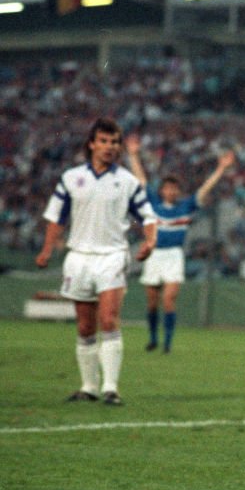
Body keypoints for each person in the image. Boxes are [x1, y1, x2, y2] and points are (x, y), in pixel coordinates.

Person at [35, 118, 158, 406]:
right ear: (92, 144)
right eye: (103, 141)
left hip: (112, 256)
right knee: (85, 327)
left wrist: (150, 241)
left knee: (108, 320)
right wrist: (46, 249)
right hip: (78, 257)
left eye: (114, 142)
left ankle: (111, 388)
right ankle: (89, 387)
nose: (109, 147)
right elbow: (57, 217)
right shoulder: (71, 178)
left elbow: (148, 216)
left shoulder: (127, 181)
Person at [125, 135, 236, 353]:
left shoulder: (185, 207)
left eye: (174, 188)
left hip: (174, 255)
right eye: (167, 188)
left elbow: (204, 190)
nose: (171, 191)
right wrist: (133, 154)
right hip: (154, 254)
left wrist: (221, 169)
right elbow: (141, 179)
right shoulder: (154, 204)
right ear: (162, 190)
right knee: (152, 302)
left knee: (169, 300)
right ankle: (153, 338)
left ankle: (167, 343)